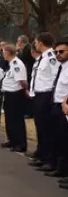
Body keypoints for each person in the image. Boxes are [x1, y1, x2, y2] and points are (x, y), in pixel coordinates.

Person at [29, 33, 61, 171]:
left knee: (46, 128)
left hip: (46, 94)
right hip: (38, 94)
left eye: (36, 42)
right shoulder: (40, 59)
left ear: (41, 43)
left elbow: (55, 76)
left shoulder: (51, 57)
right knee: (40, 126)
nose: (35, 44)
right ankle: (42, 155)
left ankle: (49, 159)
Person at [41, 40, 68, 176]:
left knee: (64, 139)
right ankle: (56, 165)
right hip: (56, 104)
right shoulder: (61, 67)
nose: (58, 54)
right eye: (57, 52)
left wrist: (65, 103)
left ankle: (63, 169)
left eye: (62, 52)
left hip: (64, 107)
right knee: (56, 137)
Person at [0, 45, 28, 153]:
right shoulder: (11, 64)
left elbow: (22, 81)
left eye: (4, 52)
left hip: (15, 94)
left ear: (7, 52)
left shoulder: (17, 64)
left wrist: (25, 90)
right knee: (9, 119)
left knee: (16, 119)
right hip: (9, 94)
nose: (3, 54)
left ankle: (20, 143)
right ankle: (12, 140)